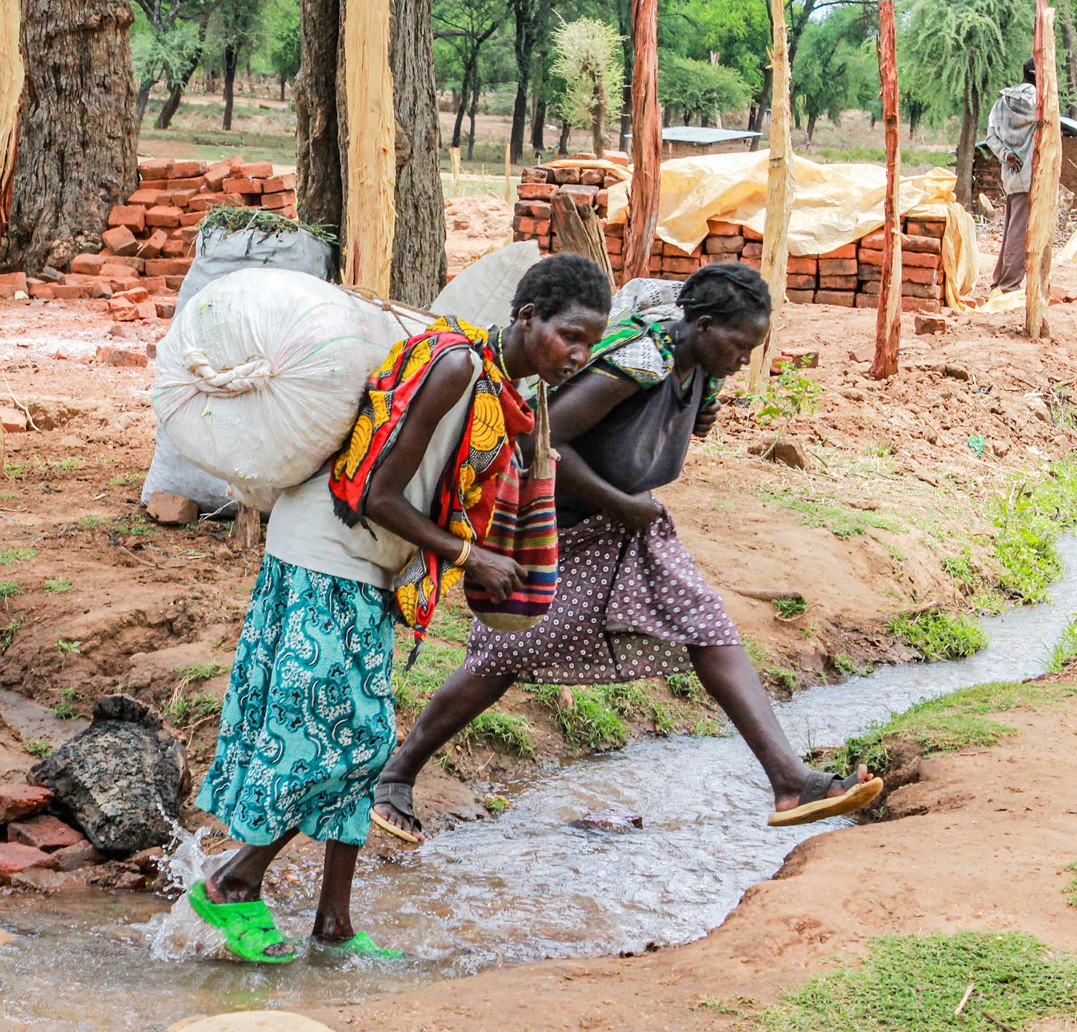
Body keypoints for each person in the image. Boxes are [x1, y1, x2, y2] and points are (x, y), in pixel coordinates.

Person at [187, 253, 613, 964]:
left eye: (591, 342)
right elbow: (374, 496)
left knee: (363, 741)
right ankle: (233, 878)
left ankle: (334, 925)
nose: (580, 354)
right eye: (570, 335)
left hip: (369, 564)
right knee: (339, 737)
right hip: (328, 551)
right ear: (529, 315)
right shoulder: (457, 369)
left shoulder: (504, 389)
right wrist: (469, 556)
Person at [369, 267, 883, 845]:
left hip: (626, 524)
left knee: (708, 628)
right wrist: (621, 503)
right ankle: (394, 776)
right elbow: (544, 438)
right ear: (704, 325)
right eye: (738, 346)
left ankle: (791, 783)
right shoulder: (639, 361)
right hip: (562, 524)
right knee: (503, 655)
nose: (743, 360)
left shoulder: (692, 370)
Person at [982, 58, 1039, 293]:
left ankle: (999, 279)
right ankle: (1009, 284)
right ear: (1036, 72)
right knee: (1018, 231)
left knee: (1009, 229)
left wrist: (1006, 155)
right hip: (1031, 176)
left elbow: (991, 137)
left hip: (1011, 174)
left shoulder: (1002, 101)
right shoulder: (1039, 101)